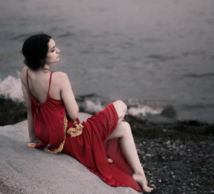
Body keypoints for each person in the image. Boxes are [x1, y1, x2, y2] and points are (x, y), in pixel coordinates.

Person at [20, 34, 153, 193]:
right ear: (41, 58)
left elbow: (29, 109)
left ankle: (139, 174)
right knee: (121, 105)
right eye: (53, 50)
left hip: (51, 137)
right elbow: (74, 113)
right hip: (73, 139)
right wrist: (67, 93)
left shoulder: (25, 73)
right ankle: (98, 151)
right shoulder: (60, 78)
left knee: (124, 128)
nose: (59, 51)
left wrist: (34, 138)